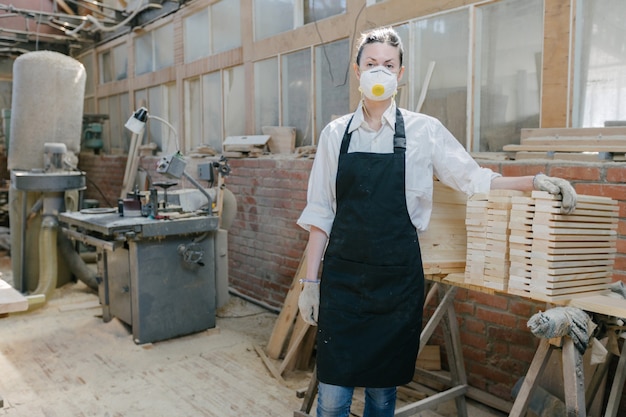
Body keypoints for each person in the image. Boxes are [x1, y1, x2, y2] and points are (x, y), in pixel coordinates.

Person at [296, 26, 577, 417]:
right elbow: (320, 213)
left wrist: (534, 182)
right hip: (343, 283)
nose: (380, 71)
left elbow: (473, 178)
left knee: (381, 395)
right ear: (358, 71)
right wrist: (310, 283)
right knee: (332, 398)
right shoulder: (334, 135)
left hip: (396, 284)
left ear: (401, 72)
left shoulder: (424, 131)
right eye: (371, 63)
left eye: (388, 64)